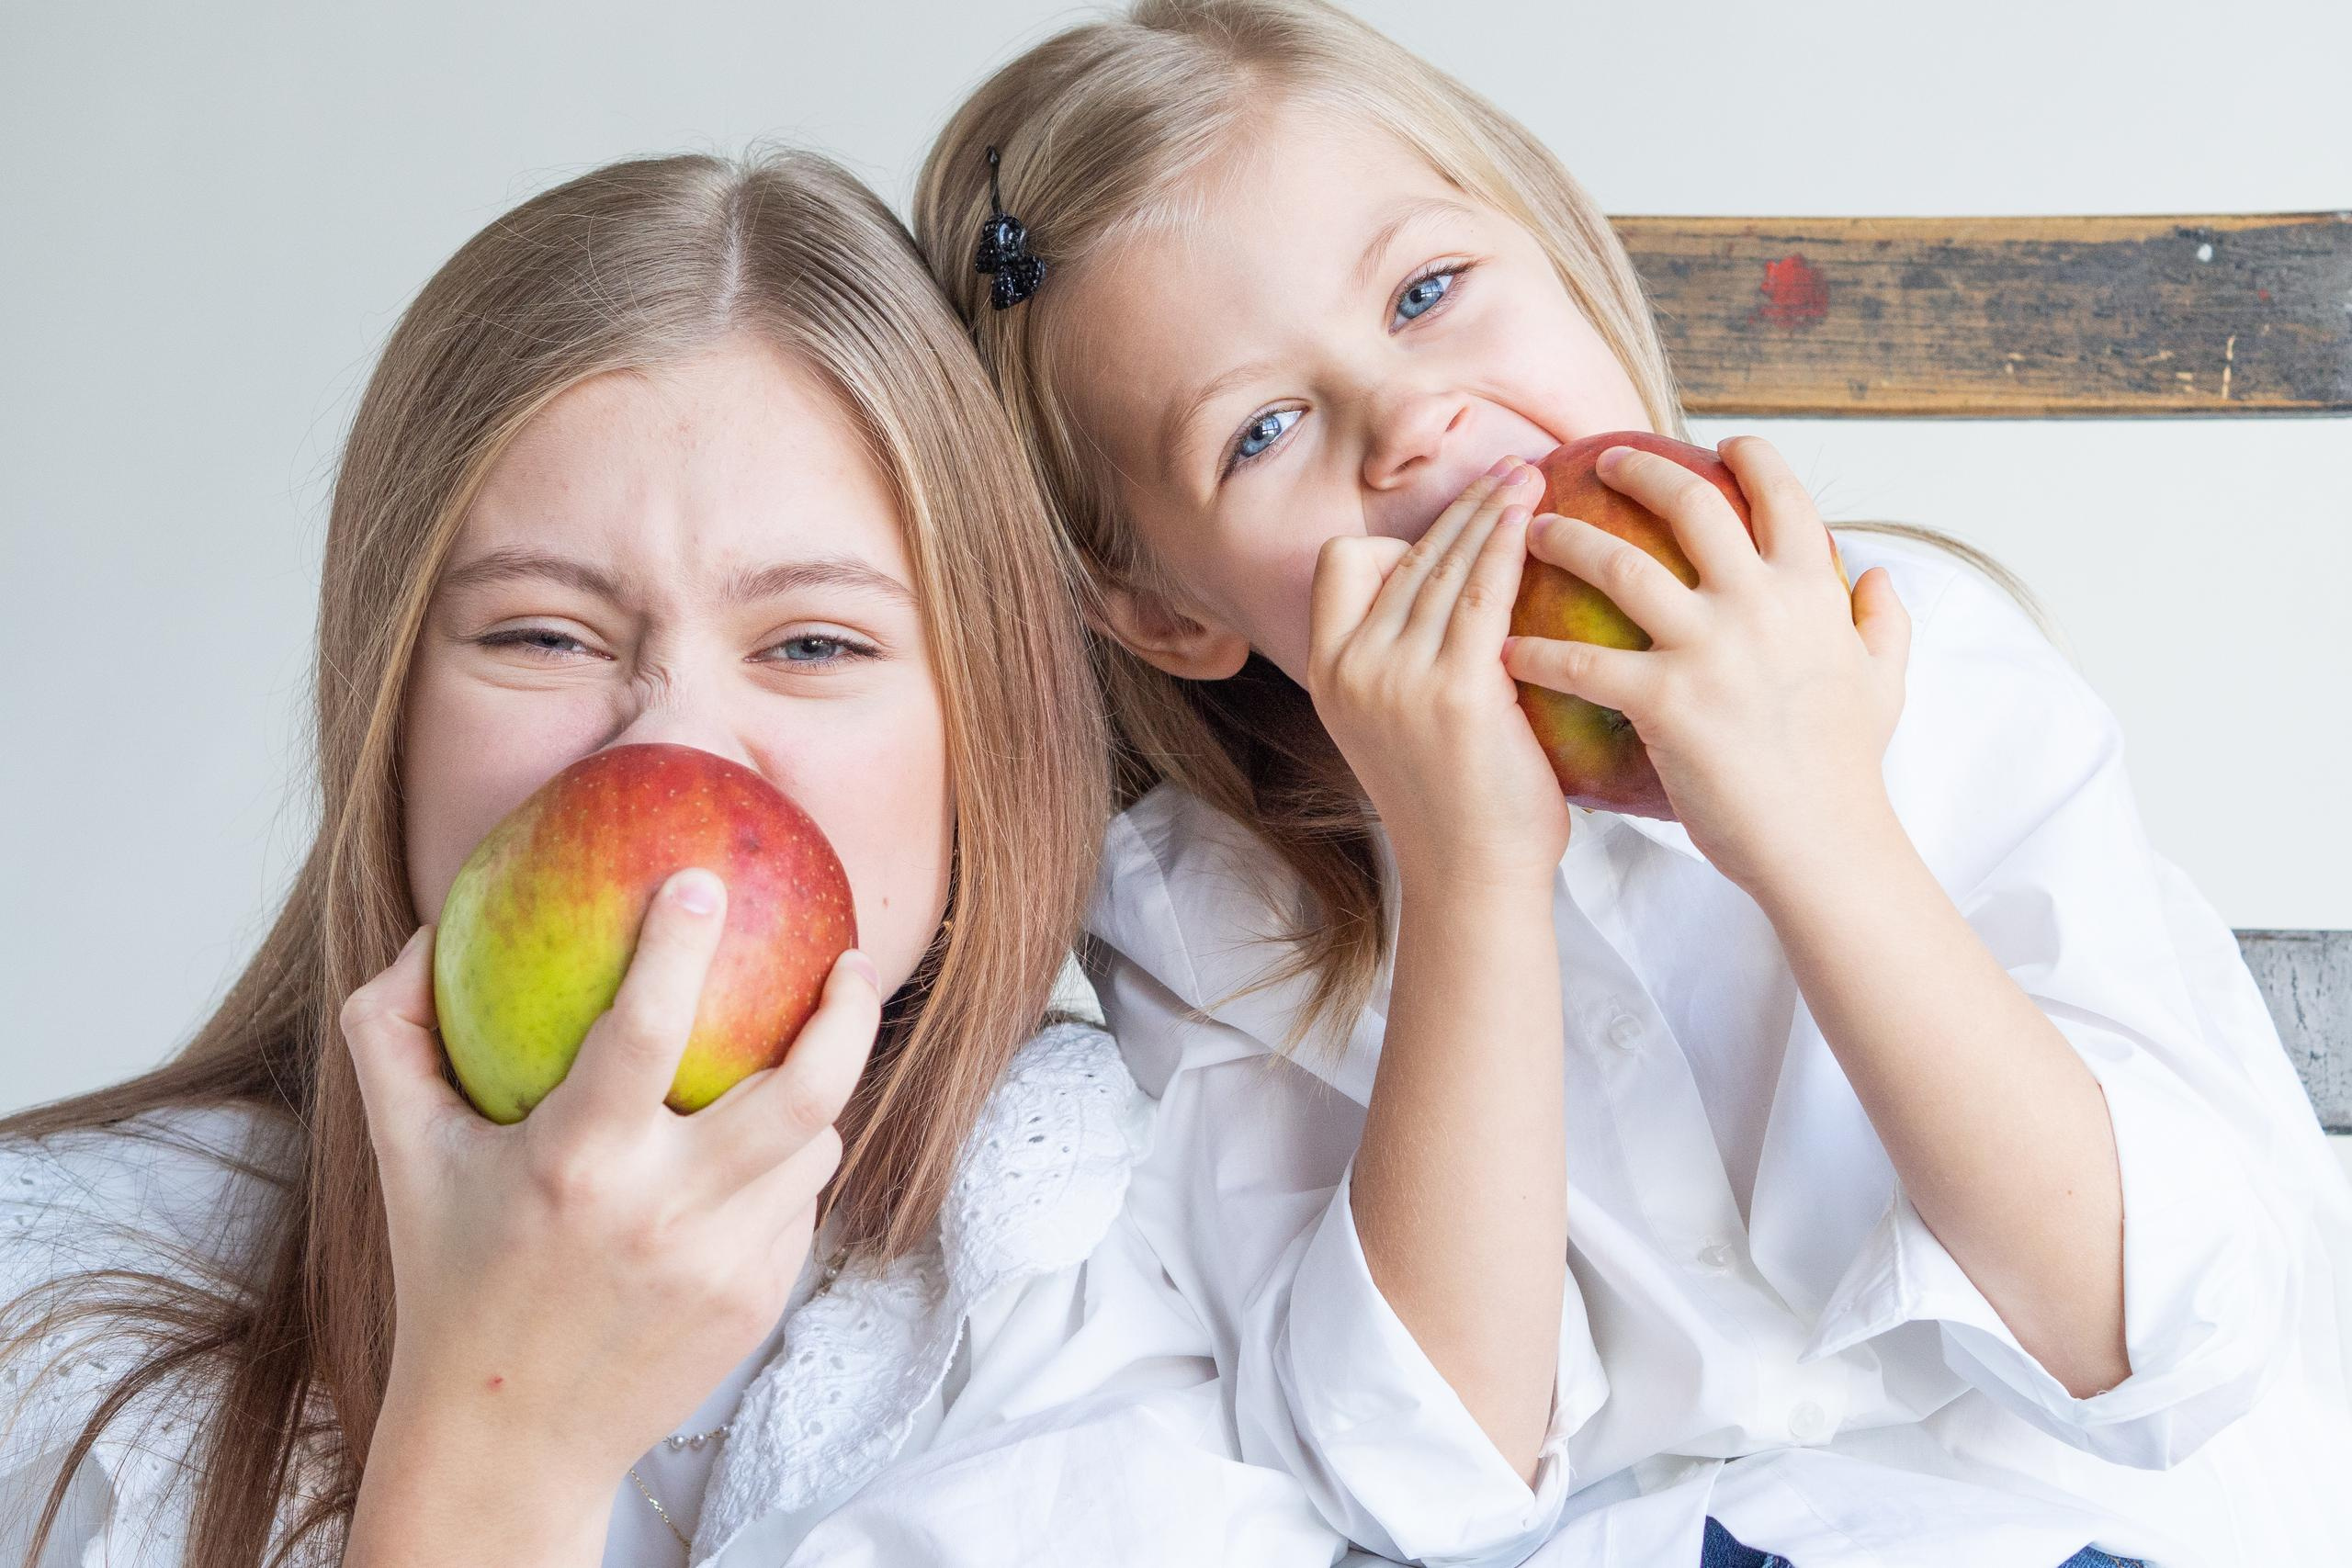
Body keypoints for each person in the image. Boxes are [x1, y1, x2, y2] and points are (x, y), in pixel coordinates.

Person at [908, 3, 2352, 1563]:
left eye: (1429, 290)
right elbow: (1423, 1488)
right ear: (1173, 614)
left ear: (1564, 254)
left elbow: (2157, 1352)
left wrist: (1818, 825)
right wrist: (1469, 879)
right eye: (1262, 429)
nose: (1409, 421)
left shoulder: (1911, 656)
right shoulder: (1205, 910)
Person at [1, 148, 1345, 1568]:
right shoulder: (57, 1324)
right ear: (386, 703)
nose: (678, 747)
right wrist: (499, 1438)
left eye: (815, 643)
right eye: (541, 635)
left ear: (987, 729)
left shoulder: (1136, 1259)